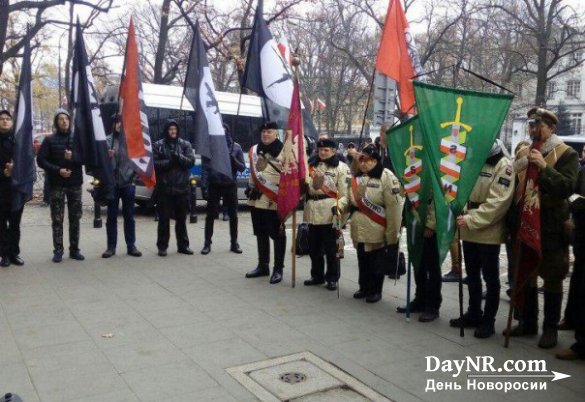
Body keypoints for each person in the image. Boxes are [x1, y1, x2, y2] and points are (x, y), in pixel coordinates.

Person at [504, 107, 579, 349]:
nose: (533, 130)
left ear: (551, 128)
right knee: (525, 276)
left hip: (550, 227)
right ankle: (527, 322)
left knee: (553, 277)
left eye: (539, 125)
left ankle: (550, 328)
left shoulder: (566, 154)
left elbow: (567, 188)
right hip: (523, 223)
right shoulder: (525, 152)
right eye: (531, 125)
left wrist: (545, 168)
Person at [449, 140, 515, 338]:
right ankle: (474, 312)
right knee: (472, 274)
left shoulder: (503, 166)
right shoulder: (473, 161)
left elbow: (498, 202)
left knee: (490, 277)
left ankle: (488, 320)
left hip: (488, 228)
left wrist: (472, 218)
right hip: (468, 223)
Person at [345, 145, 404, 303]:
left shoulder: (386, 177)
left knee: (376, 262)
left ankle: (376, 290)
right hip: (359, 227)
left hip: (377, 227)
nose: (363, 164)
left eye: (368, 161)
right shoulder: (357, 177)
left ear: (376, 161)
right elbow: (348, 200)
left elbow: (394, 208)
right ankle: (364, 287)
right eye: (361, 160)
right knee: (362, 259)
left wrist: (392, 236)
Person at [37, 109, 84, 263]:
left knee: (75, 218)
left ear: (70, 121)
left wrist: (74, 157)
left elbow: (85, 159)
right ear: (56, 122)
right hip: (57, 184)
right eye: (61, 119)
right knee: (57, 219)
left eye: (66, 119)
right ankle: (58, 250)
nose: (64, 121)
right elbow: (41, 160)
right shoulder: (49, 140)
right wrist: (58, 170)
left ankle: (74, 249)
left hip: (75, 184)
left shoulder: (77, 139)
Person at [303, 138, 350, 291]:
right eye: (320, 150)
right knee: (314, 248)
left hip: (330, 213)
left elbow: (345, 194)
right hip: (312, 210)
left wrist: (340, 212)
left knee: (332, 249)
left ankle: (332, 278)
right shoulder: (311, 166)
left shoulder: (341, 168)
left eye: (326, 150)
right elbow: (305, 187)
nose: (322, 152)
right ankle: (317, 275)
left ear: (334, 151)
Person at [245, 121, 287, 284]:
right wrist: (250, 185)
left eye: (269, 131)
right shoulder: (256, 150)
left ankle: (278, 269)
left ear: (276, 133)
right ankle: (263, 266)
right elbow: (254, 171)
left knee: (277, 235)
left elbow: (290, 176)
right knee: (260, 233)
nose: (265, 134)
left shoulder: (285, 151)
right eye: (263, 131)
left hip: (275, 199)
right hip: (257, 198)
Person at [556, 148, 585, 360]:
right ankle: (572, 318)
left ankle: (582, 344)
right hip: (581, 230)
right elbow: (574, 190)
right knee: (578, 280)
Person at [201, 124, 246, 255]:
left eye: (225, 131)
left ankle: (234, 242)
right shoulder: (211, 147)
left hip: (230, 185)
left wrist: (234, 160)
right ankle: (207, 243)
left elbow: (242, 167)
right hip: (215, 184)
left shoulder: (236, 147)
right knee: (210, 216)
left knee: (233, 216)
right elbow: (205, 168)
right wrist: (204, 186)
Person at [153, 119, 195, 256]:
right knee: (164, 220)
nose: (173, 131)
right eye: (171, 129)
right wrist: (170, 162)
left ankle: (183, 246)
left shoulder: (185, 144)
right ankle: (162, 246)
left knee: (181, 220)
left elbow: (190, 162)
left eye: (175, 129)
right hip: (165, 189)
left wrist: (179, 157)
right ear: (167, 130)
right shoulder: (158, 145)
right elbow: (154, 164)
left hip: (182, 188)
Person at [101, 116, 142, 258]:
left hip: (128, 183)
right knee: (111, 217)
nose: (119, 125)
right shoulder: (107, 141)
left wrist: (134, 178)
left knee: (129, 217)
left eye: (121, 123)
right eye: (117, 123)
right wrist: (107, 157)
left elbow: (138, 161)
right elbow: (101, 162)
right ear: (113, 125)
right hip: (113, 184)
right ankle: (111, 247)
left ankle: (131, 246)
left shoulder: (130, 142)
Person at [0, 110, 25, 267]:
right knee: (1, 224)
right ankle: (4, 255)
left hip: (15, 190)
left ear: (11, 122)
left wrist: (15, 171)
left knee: (15, 224)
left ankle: (14, 253)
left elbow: (26, 163)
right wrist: (3, 173)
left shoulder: (18, 140)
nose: (4, 121)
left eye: (7, 119)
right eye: (1, 119)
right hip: (0, 189)